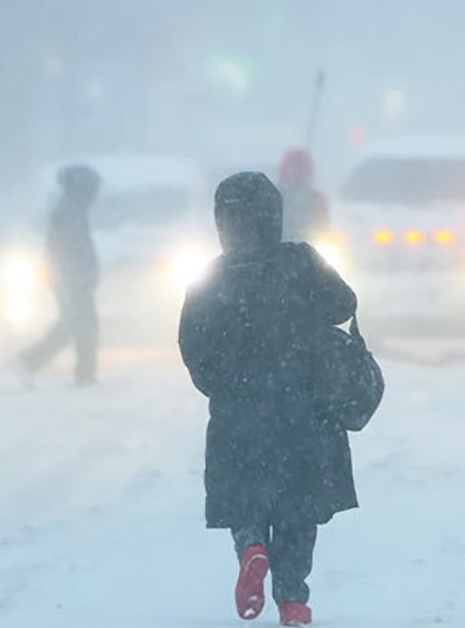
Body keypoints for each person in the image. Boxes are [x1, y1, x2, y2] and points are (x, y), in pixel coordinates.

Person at [178, 172, 358, 625]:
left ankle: (252, 547)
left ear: (223, 222)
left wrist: (222, 386)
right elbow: (344, 304)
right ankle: (294, 600)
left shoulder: (210, 278)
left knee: (245, 497)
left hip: (239, 416)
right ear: (274, 216)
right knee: (298, 508)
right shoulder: (299, 261)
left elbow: (192, 347)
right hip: (304, 414)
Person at [20, 164, 101, 385]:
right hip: (72, 281)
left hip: (72, 280)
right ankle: (30, 361)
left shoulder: (70, 210)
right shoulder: (67, 213)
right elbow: (66, 249)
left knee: (75, 325)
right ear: (80, 188)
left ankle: (31, 361)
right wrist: (75, 276)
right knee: (79, 326)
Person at [277, 148, 330, 243]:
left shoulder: (317, 198)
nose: (297, 172)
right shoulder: (276, 194)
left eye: (301, 167)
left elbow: (324, 225)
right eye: (295, 167)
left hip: (311, 244)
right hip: (283, 245)